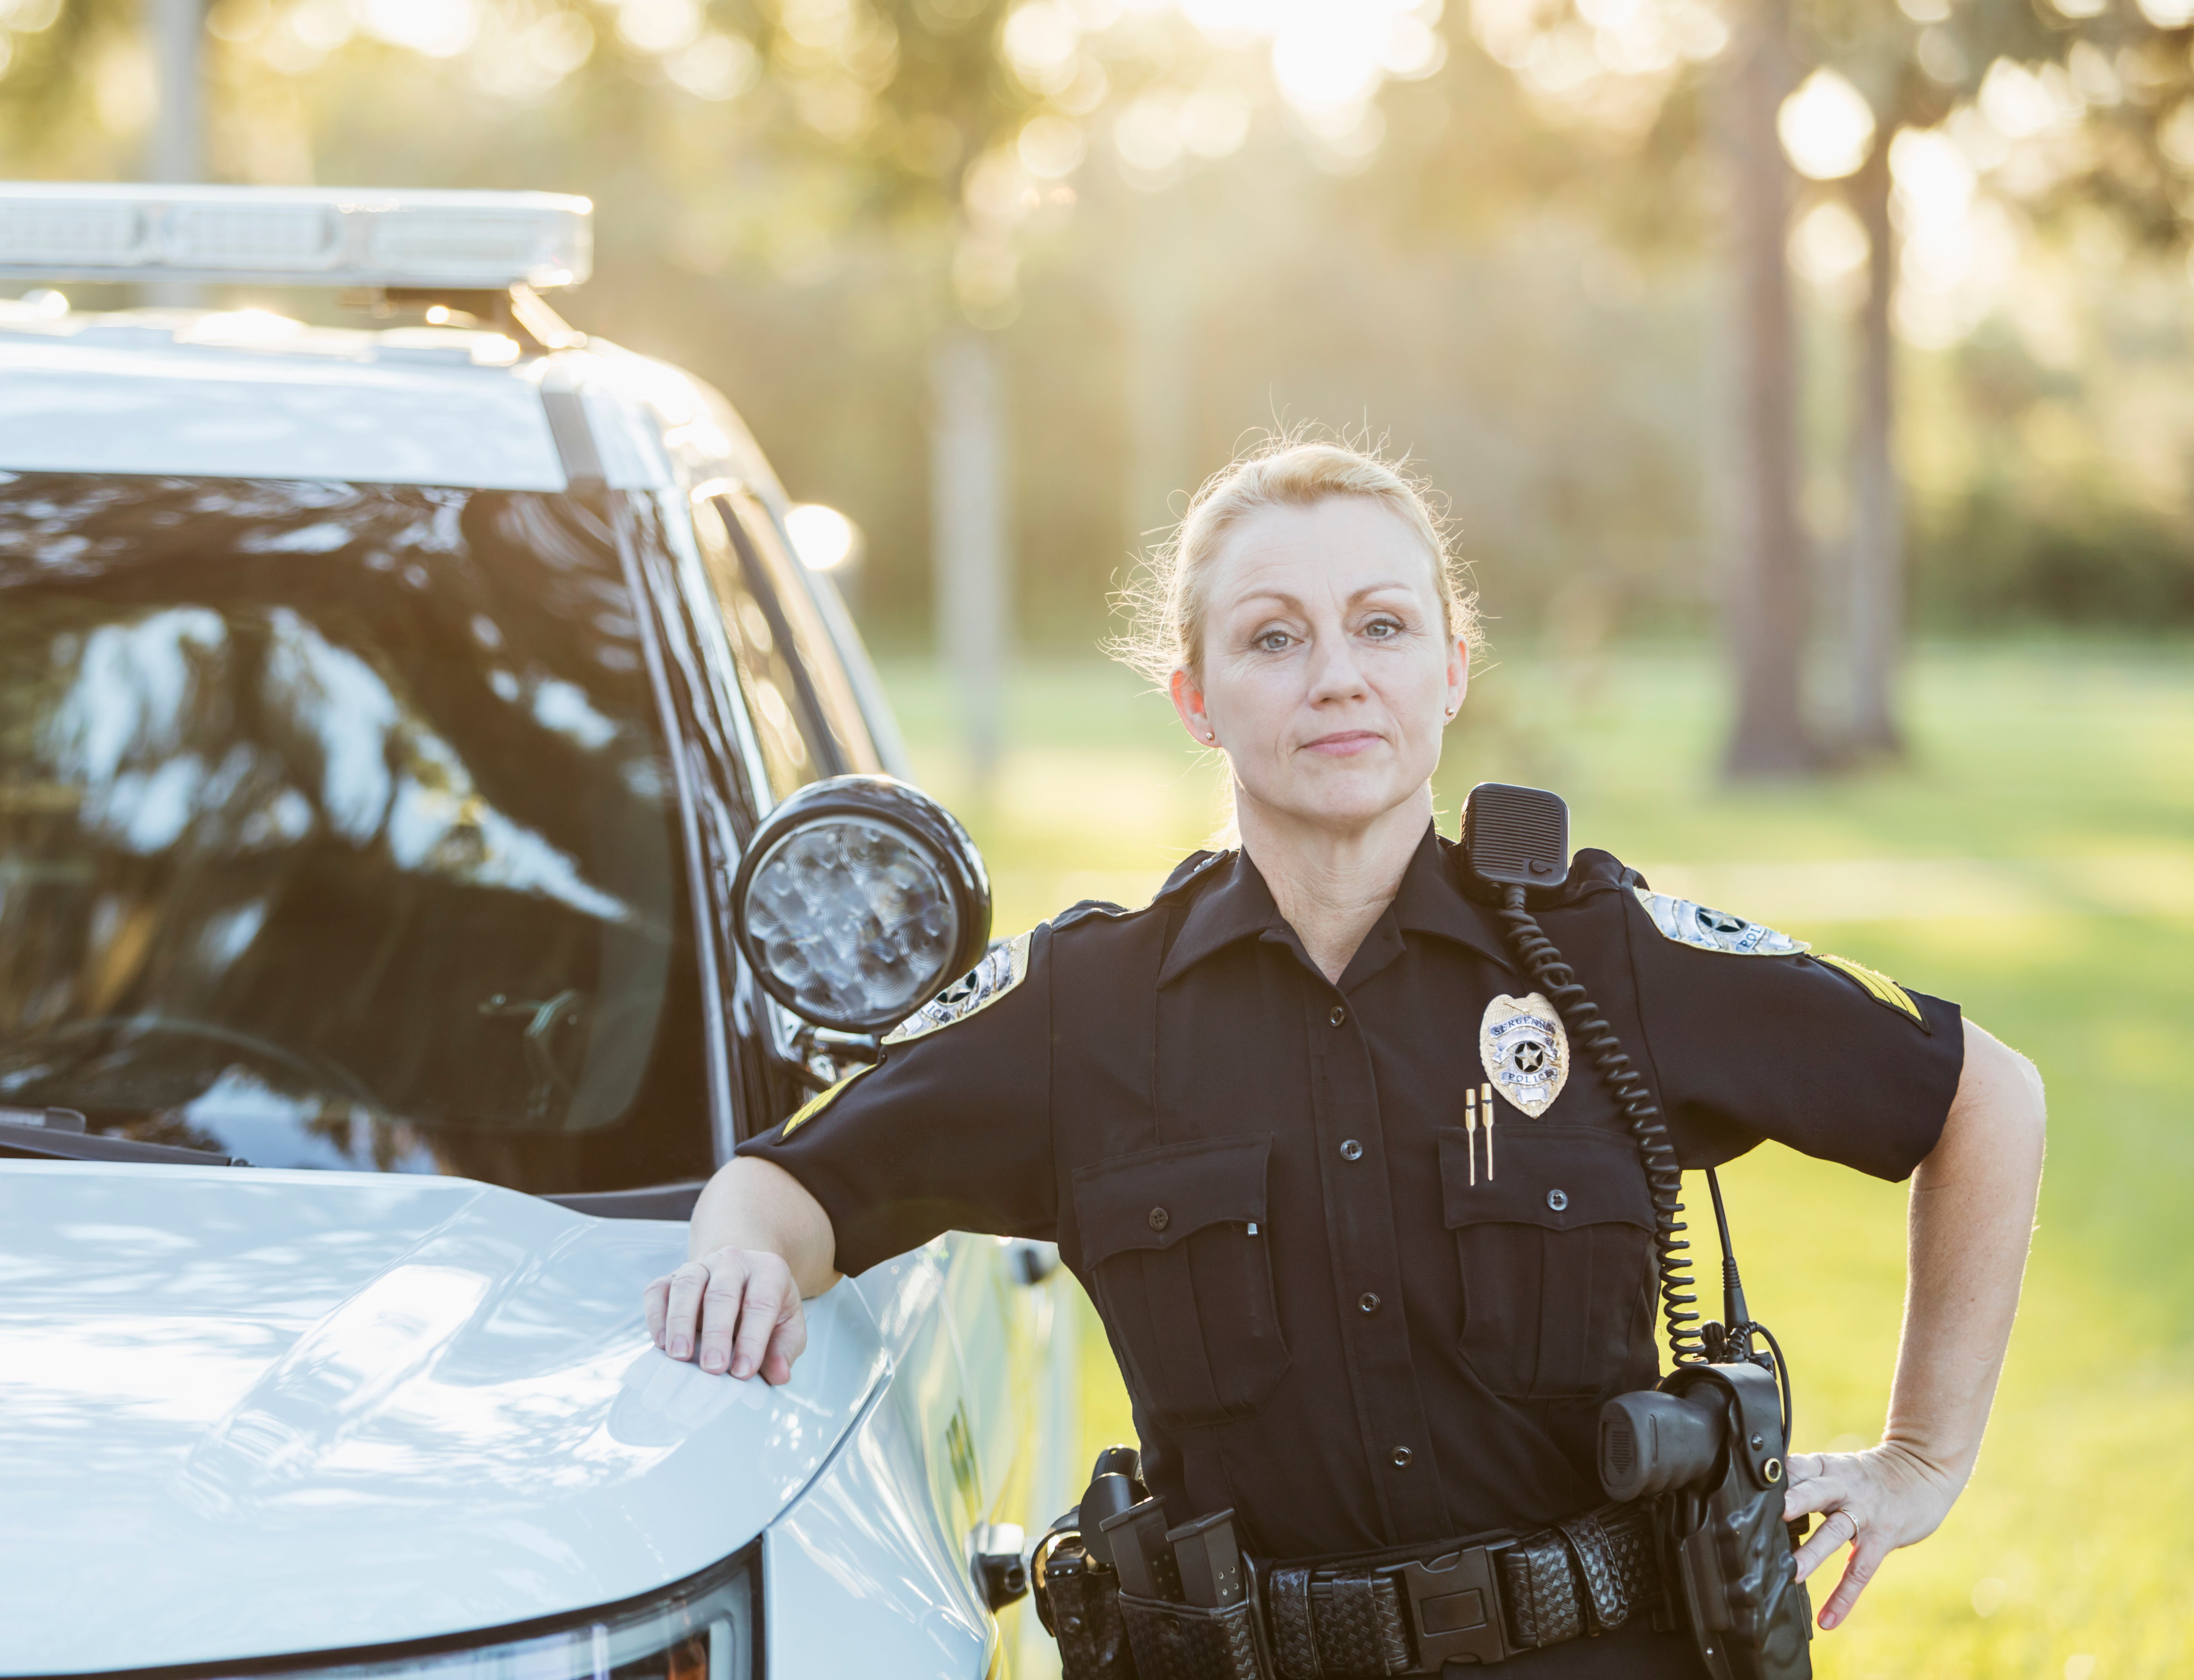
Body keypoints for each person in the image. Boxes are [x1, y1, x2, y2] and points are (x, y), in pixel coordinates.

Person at [643, 435, 2045, 1677]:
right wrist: (739, 1256)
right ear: (1193, 695)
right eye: (1272, 639)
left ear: (1448, 669)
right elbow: (789, 1184)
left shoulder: (1604, 954)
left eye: (1379, 627)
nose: (1334, 679)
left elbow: (1980, 1093)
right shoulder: (1088, 1007)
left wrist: (1919, 1460)